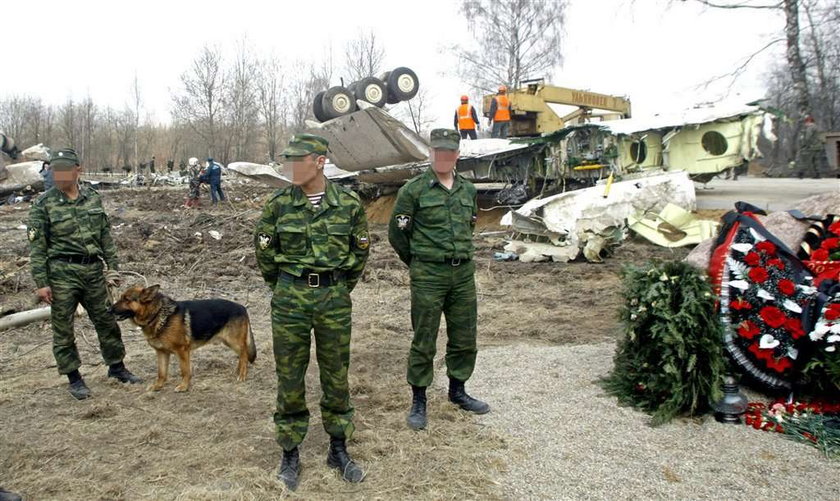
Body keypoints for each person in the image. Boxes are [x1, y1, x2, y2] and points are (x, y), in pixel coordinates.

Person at [254, 134, 370, 490]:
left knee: (336, 374)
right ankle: (290, 450)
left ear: (319, 161)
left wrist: (335, 285)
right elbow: (265, 254)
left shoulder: (348, 204)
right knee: (290, 375)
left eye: (296, 160)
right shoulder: (278, 205)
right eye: (285, 160)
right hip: (290, 299)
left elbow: (359, 253)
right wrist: (287, 286)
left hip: (333, 298)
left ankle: (338, 447)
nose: (288, 167)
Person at [388, 128, 490, 431]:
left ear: (456, 155)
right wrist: (419, 263)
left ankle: (457, 391)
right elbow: (397, 235)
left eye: (448, 153)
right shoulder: (414, 190)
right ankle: (419, 399)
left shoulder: (468, 191)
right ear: (430, 154)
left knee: (464, 334)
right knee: (424, 338)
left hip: (462, 275)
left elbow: (468, 228)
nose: (442, 158)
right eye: (437, 152)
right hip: (429, 275)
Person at [27, 148, 142, 400]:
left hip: (92, 271)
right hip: (61, 274)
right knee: (63, 329)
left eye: (63, 170)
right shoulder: (43, 204)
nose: (58, 175)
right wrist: (42, 283)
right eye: (54, 170)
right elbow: (37, 248)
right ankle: (74, 377)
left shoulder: (92, 198)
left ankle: (117, 367)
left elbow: (105, 237)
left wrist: (112, 267)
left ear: (77, 169)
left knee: (107, 320)